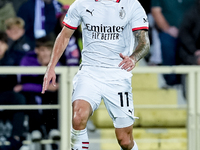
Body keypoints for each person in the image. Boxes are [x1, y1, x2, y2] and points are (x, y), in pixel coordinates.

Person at [42, 0, 150, 150]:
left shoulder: (132, 4)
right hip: (89, 72)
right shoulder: (81, 4)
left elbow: (144, 42)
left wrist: (133, 58)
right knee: (78, 117)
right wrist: (51, 66)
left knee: (125, 140)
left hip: (118, 75)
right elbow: (64, 36)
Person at [14, 36, 60, 141]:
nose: (46, 53)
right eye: (42, 50)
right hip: (31, 94)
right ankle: (35, 129)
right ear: (37, 50)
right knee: (30, 95)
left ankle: (52, 129)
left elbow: (55, 86)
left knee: (52, 94)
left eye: (49, 50)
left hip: (46, 94)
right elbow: (22, 84)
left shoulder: (57, 61)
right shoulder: (27, 61)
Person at [151, 0, 195, 86]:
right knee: (167, 43)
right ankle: (171, 82)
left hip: (191, 33)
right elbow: (155, 11)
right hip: (169, 33)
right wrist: (168, 29)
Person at [0, 31, 26, 150]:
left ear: (6, 45)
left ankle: (16, 137)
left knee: (19, 98)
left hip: (7, 94)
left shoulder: (13, 59)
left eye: (2, 43)